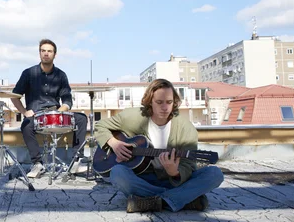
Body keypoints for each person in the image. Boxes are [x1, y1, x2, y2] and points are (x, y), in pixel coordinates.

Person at [94, 78, 223, 212]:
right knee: (117, 173)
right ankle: (181, 199)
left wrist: (175, 172)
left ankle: (153, 201)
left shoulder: (186, 128)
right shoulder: (132, 117)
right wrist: (114, 143)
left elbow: (188, 165)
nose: (165, 107)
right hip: (142, 179)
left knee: (215, 174)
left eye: (169, 102)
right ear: (150, 102)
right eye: (159, 102)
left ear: (175, 102)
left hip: (174, 182)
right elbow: (100, 126)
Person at [11, 39, 88, 178]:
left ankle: (76, 161)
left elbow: (67, 98)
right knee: (26, 125)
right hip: (36, 114)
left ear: (55, 54)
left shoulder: (61, 75)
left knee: (81, 119)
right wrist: (24, 112)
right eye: (43, 51)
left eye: (49, 51)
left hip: (56, 114)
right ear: (39, 53)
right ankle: (37, 164)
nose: (46, 54)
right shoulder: (28, 73)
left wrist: (62, 110)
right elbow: (14, 96)